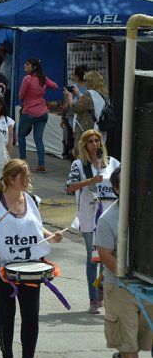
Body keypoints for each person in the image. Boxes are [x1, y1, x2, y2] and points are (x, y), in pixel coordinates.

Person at [0, 159, 64, 358]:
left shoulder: (32, 200)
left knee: (31, 314)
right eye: (24, 175)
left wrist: (51, 235)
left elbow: (36, 226)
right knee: (6, 311)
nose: (29, 179)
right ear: (11, 179)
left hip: (30, 266)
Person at [96, 168, 150, 358]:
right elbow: (104, 253)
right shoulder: (108, 219)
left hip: (147, 284)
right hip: (120, 285)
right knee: (126, 334)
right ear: (116, 189)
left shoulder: (147, 211)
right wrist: (125, 273)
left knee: (142, 335)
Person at [65, 129, 120, 314]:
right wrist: (89, 181)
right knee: (93, 258)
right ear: (84, 145)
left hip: (111, 217)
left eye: (97, 140)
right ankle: (93, 298)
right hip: (89, 217)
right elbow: (70, 187)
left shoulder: (112, 162)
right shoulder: (78, 165)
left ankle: (102, 290)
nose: (95, 144)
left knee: (109, 256)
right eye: (91, 141)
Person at [18, 58, 58, 173]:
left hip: (29, 112)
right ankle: (41, 165)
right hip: (42, 112)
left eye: (27, 64)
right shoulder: (42, 78)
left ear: (33, 67)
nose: (25, 66)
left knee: (21, 135)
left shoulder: (27, 79)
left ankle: (22, 162)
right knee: (38, 139)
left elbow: (21, 95)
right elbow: (55, 86)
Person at [64, 70, 110, 157]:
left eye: (86, 81)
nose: (85, 83)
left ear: (90, 82)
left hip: (85, 127)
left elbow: (75, 108)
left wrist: (69, 97)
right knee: (94, 153)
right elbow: (89, 105)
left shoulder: (89, 94)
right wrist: (78, 94)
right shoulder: (104, 94)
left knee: (81, 153)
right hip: (99, 128)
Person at [60, 65, 88, 161]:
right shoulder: (90, 89)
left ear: (76, 76)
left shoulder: (72, 89)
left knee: (74, 142)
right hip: (87, 121)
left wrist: (63, 118)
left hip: (74, 120)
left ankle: (75, 161)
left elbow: (65, 107)